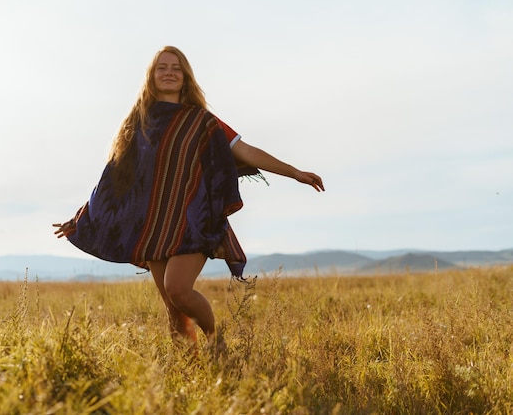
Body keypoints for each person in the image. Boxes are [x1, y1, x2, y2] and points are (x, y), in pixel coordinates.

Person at [53, 46, 324, 348]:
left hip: (195, 221)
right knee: (173, 307)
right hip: (155, 226)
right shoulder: (138, 125)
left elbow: (246, 152)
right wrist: (83, 217)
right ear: (151, 77)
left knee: (178, 289)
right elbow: (114, 177)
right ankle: (187, 369)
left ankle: (216, 343)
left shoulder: (203, 121)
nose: (169, 72)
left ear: (185, 77)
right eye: (162, 67)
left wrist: (294, 172)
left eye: (176, 67)